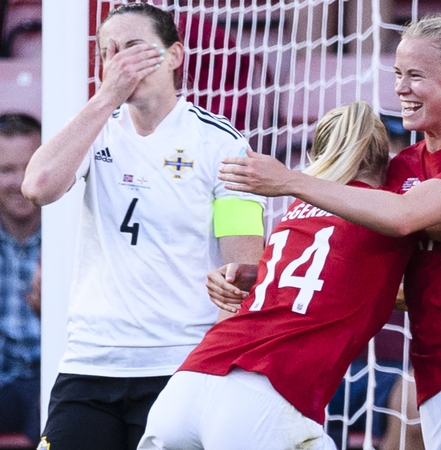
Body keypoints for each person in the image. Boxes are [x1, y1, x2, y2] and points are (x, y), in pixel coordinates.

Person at [217, 15, 441, 450]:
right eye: (398, 74)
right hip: (434, 364)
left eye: (415, 76)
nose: (400, 88)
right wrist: (262, 276)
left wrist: (291, 181)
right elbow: (355, 247)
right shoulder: (400, 170)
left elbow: (402, 217)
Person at [20, 4, 265, 449]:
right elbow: (37, 188)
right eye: (108, 51)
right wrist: (104, 97)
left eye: (134, 47)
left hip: (178, 366)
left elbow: (244, 267)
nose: (120, 62)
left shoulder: (219, 142)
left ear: (174, 55)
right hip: (90, 363)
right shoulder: (96, 128)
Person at [0, 113, 42, 444]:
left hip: (50, 375)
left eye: (29, 167)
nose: (19, 182)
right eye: (6, 170)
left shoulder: (74, 233)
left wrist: (52, 309)